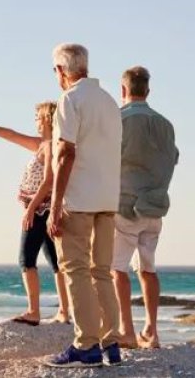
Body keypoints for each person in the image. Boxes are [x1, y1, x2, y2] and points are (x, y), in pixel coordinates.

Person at [43, 43, 124, 368]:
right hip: (107, 198)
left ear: (61, 71)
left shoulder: (70, 100)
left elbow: (65, 153)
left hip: (78, 200)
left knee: (75, 270)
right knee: (101, 272)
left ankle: (86, 345)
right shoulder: (108, 102)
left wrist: (55, 203)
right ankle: (110, 343)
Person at [0, 103, 71, 326]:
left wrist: (31, 208)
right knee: (56, 262)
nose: (35, 121)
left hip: (41, 211)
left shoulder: (50, 145)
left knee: (26, 259)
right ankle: (64, 311)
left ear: (46, 119)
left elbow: (49, 179)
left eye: (37, 117)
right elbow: (11, 135)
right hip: (45, 209)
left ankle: (34, 311)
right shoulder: (42, 144)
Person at [111, 66, 179, 350]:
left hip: (124, 205)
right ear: (147, 91)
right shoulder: (165, 124)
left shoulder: (118, 120)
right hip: (155, 205)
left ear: (123, 90)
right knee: (148, 269)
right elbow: (173, 158)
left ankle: (126, 330)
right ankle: (151, 331)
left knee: (117, 269)